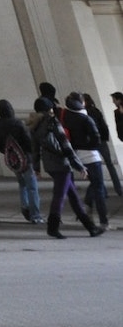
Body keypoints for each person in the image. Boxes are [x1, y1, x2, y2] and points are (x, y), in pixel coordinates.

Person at [31, 97, 103, 238]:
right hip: (61, 164)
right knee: (59, 196)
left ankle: (91, 228)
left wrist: (37, 168)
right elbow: (66, 145)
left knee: (73, 196)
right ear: (49, 109)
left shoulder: (35, 125)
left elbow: (35, 149)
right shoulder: (52, 122)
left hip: (49, 165)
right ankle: (52, 227)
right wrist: (79, 166)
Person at [62, 92, 108, 230]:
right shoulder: (85, 118)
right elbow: (96, 139)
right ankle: (103, 221)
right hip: (91, 156)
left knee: (94, 183)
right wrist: (90, 146)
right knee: (99, 187)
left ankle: (87, 206)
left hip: (78, 156)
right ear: (81, 103)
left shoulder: (67, 118)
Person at [0, 98, 41, 224]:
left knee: (22, 184)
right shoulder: (17, 123)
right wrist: (29, 153)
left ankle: (25, 206)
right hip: (25, 157)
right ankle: (35, 215)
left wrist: (9, 151)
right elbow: (28, 141)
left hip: (13, 159)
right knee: (32, 187)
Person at [82, 94, 122, 196]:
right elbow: (103, 126)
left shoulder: (84, 113)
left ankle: (103, 191)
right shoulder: (96, 111)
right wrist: (104, 138)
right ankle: (119, 189)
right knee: (110, 165)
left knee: (95, 167)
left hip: (91, 142)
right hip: (101, 140)